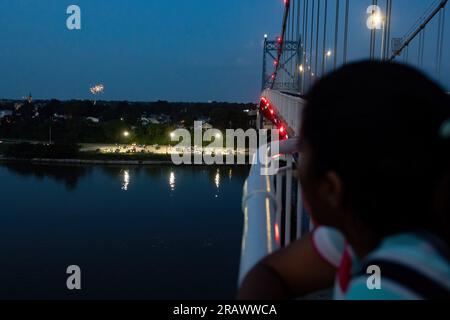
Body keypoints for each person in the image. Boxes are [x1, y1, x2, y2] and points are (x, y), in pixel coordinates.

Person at [238, 61, 450, 300]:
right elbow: (273, 272)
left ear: (331, 189)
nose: (296, 151)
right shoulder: (362, 231)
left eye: (302, 147)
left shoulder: (389, 288)